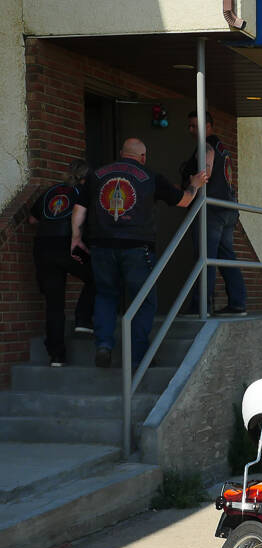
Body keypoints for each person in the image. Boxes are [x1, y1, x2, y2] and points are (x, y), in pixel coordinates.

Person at [72, 138, 207, 368]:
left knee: (105, 296)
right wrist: (194, 184)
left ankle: (104, 346)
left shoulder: (97, 175)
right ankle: (139, 356)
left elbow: (79, 209)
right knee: (143, 301)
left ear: (122, 153)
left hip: (101, 246)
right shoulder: (150, 176)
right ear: (143, 157)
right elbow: (184, 201)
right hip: (137, 248)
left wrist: (75, 238)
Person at [28, 159, 94, 366]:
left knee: (54, 304)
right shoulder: (83, 193)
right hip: (69, 247)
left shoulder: (51, 191)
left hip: (43, 248)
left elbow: (32, 220)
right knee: (98, 274)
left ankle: (56, 355)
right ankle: (83, 319)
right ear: (85, 178)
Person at [182, 110, 246, 315]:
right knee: (226, 257)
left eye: (195, 125)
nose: (191, 130)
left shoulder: (207, 145)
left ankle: (201, 306)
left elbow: (205, 173)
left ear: (208, 126)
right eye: (190, 125)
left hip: (212, 210)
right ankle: (237, 303)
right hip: (227, 208)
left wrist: (193, 184)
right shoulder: (222, 148)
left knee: (205, 257)